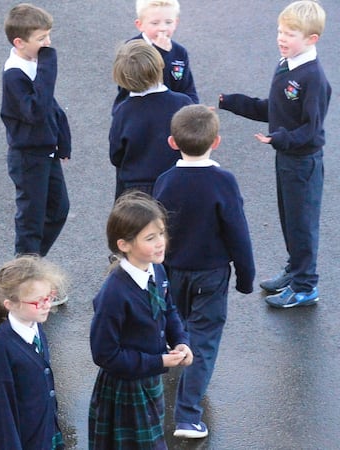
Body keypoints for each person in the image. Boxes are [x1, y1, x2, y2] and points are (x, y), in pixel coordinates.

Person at [153, 105, 256, 439]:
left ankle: (171, 373)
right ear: (217, 141)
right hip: (211, 274)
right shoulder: (223, 181)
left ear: (172, 142)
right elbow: (237, 231)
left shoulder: (165, 181)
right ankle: (187, 415)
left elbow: (158, 232)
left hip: (174, 270)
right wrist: (245, 275)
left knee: (178, 328)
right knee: (204, 340)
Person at [219, 0, 330, 309]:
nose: (282, 38)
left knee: (302, 224)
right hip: (286, 157)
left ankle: (306, 285)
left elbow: (312, 130)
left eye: (291, 34)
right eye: (280, 31)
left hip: (302, 162)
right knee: (288, 219)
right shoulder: (286, 65)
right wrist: (232, 102)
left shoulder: (313, 78)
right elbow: (274, 108)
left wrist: (279, 138)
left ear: (311, 39)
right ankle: (296, 271)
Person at [89, 191, 192, 449]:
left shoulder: (156, 268)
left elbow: (168, 310)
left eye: (161, 234)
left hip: (148, 381)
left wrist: (180, 341)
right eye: (150, 238)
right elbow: (104, 354)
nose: (161, 243)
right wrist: (157, 361)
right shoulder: (114, 294)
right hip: (125, 389)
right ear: (124, 244)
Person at [1, 3, 71, 258]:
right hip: (28, 157)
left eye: (48, 35)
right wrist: (48, 66)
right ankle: (24, 273)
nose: (48, 43)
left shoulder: (34, 65)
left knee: (58, 209)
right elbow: (37, 111)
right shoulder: (15, 75)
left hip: (46, 152)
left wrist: (62, 140)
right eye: (41, 38)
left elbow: (52, 108)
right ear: (19, 42)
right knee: (31, 221)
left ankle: (31, 264)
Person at [0, 255, 66, 450]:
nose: (47, 305)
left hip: (47, 434)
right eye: (38, 301)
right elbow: (0, 416)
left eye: (49, 297)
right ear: (10, 304)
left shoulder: (36, 328)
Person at [110, 40, 193, 199]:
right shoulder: (182, 103)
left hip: (135, 190)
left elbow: (116, 154)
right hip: (175, 183)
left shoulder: (123, 112)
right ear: (160, 66)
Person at [113, 0, 198, 111]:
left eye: (168, 22)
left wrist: (194, 110)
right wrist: (160, 53)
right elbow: (132, 88)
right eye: (155, 23)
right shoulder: (130, 51)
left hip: (172, 115)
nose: (162, 28)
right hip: (140, 114)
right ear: (140, 25)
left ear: (176, 23)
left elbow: (188, 89)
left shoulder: (180, 52)